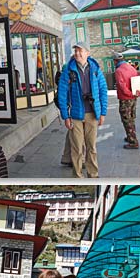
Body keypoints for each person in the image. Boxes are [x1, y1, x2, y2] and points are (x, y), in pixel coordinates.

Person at [57, 41, 108, 178]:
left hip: (92, 113)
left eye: (81, 51)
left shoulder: (95, 69)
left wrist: (103, 113)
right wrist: (65, 116)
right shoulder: (68, 69)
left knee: (91, 146)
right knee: (77, 148)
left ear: (87, 53)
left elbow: (103, 90)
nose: (77, 53)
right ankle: (78, 176)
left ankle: (93, 174)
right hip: (75, 115)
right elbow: (61, 93)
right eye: (76, 51)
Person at [113, 52, 140, 149]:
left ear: (115, 61)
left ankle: (133, 141)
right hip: (134, 97)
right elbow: (138, 81)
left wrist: (129, 93)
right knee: (131, 118)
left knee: (126, 119)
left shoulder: (118, 71)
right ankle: (130, 136)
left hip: (125, 98)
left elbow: (121, 86)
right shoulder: (131, 68)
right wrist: (136, 93)